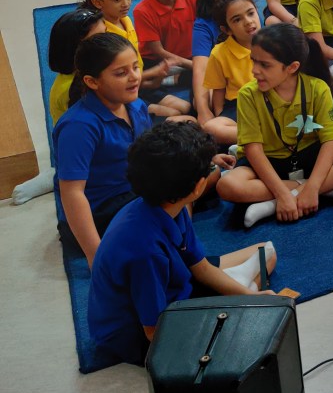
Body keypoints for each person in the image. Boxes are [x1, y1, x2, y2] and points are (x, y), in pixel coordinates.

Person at [88, 122, 276, 366]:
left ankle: (237, 290)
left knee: (266, 252)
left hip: (176, 285)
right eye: (210, 169)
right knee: (244, 335)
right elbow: (154, 331)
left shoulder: (167, 206)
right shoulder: (145, 251)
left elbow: (201, 268)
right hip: (139, 334)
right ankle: (232, 296)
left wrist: (251, 297)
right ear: (198, 187)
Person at [216, 24, 333, 228]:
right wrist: (284, 193)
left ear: (292, 67)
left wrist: (312, 186)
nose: (254, 70)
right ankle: (319, 189)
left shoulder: (317, 88)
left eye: (265, 65)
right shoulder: (248, 95)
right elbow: (254, 151)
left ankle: (279, 201)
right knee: (227, 185)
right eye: (253, 61)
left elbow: (330, 141)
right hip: (269, 161)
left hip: (309, 155)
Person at [53, 33, 151, 267]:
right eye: (121, 73)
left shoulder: (136, 105)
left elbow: (149, 153)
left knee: (200, 172)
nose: (134, 77)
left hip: (132, 192)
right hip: (99, 212)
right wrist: (95, 255)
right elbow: (72, 193)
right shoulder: (79, 125)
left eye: (135, 67)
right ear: (92, 82)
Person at [11, 8, 105, 205]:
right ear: (74, 49)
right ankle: (56, 175)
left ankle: (56, 172)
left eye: (106, 35)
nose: (108, 44)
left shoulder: (84, 73)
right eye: (97, 40)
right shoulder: (77, 87)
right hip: (83, 153)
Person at [83, 0, 188, 119]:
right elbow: (116, 77)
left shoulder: (125, 20)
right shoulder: (101, 33)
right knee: (174, 114)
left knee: (185, 106)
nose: (126, 4)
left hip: (140, 84)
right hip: (122, 91)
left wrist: (156, 76)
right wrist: (155, 71)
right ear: (97, 2)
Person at [192, 0, 250, 129]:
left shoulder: (250, 17)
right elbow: (201, 69)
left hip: (249, 84)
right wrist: (203, 111)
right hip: (222, 84)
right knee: (203, 101)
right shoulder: (203, 25)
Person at [203, 0, 260, 146]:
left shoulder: (275, 41)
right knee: (211, 129)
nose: (248, 21)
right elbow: (219, 90)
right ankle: (266, 137)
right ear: (226, 30)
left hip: (272, 100)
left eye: (251, 13)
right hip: (238, 105)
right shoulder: (219, 53)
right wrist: (220, 114)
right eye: (237, 20)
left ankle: (255, 138)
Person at [133, 0, 198, 78]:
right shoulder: (142, 11)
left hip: (190, 56)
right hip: (158, 60)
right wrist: (193, 65)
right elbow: (157, 51)